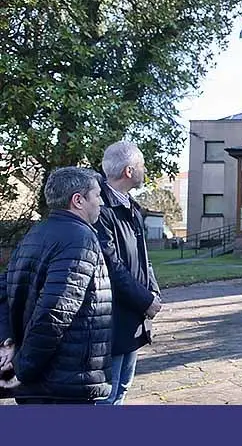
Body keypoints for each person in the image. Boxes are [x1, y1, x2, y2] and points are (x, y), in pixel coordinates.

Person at [0, 167, 113, 404]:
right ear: (78, 200)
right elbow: (55, 312)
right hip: (63, 385)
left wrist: (7, 342)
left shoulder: (34, 233)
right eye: (97, 195)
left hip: (41, 384)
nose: (101, 202)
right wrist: (21, 368)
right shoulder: (80, 239)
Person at [94, 141, 162, 405]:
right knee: (107, 394)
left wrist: (153, 291)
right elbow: (112, 266)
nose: (145, 170)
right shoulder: (101, 208)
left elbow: (143, 259)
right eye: (142, 165)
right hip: (113, 318)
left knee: (121, 389)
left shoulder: (130, 206)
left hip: (133, 314)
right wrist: (145, 300)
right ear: (129, 171)